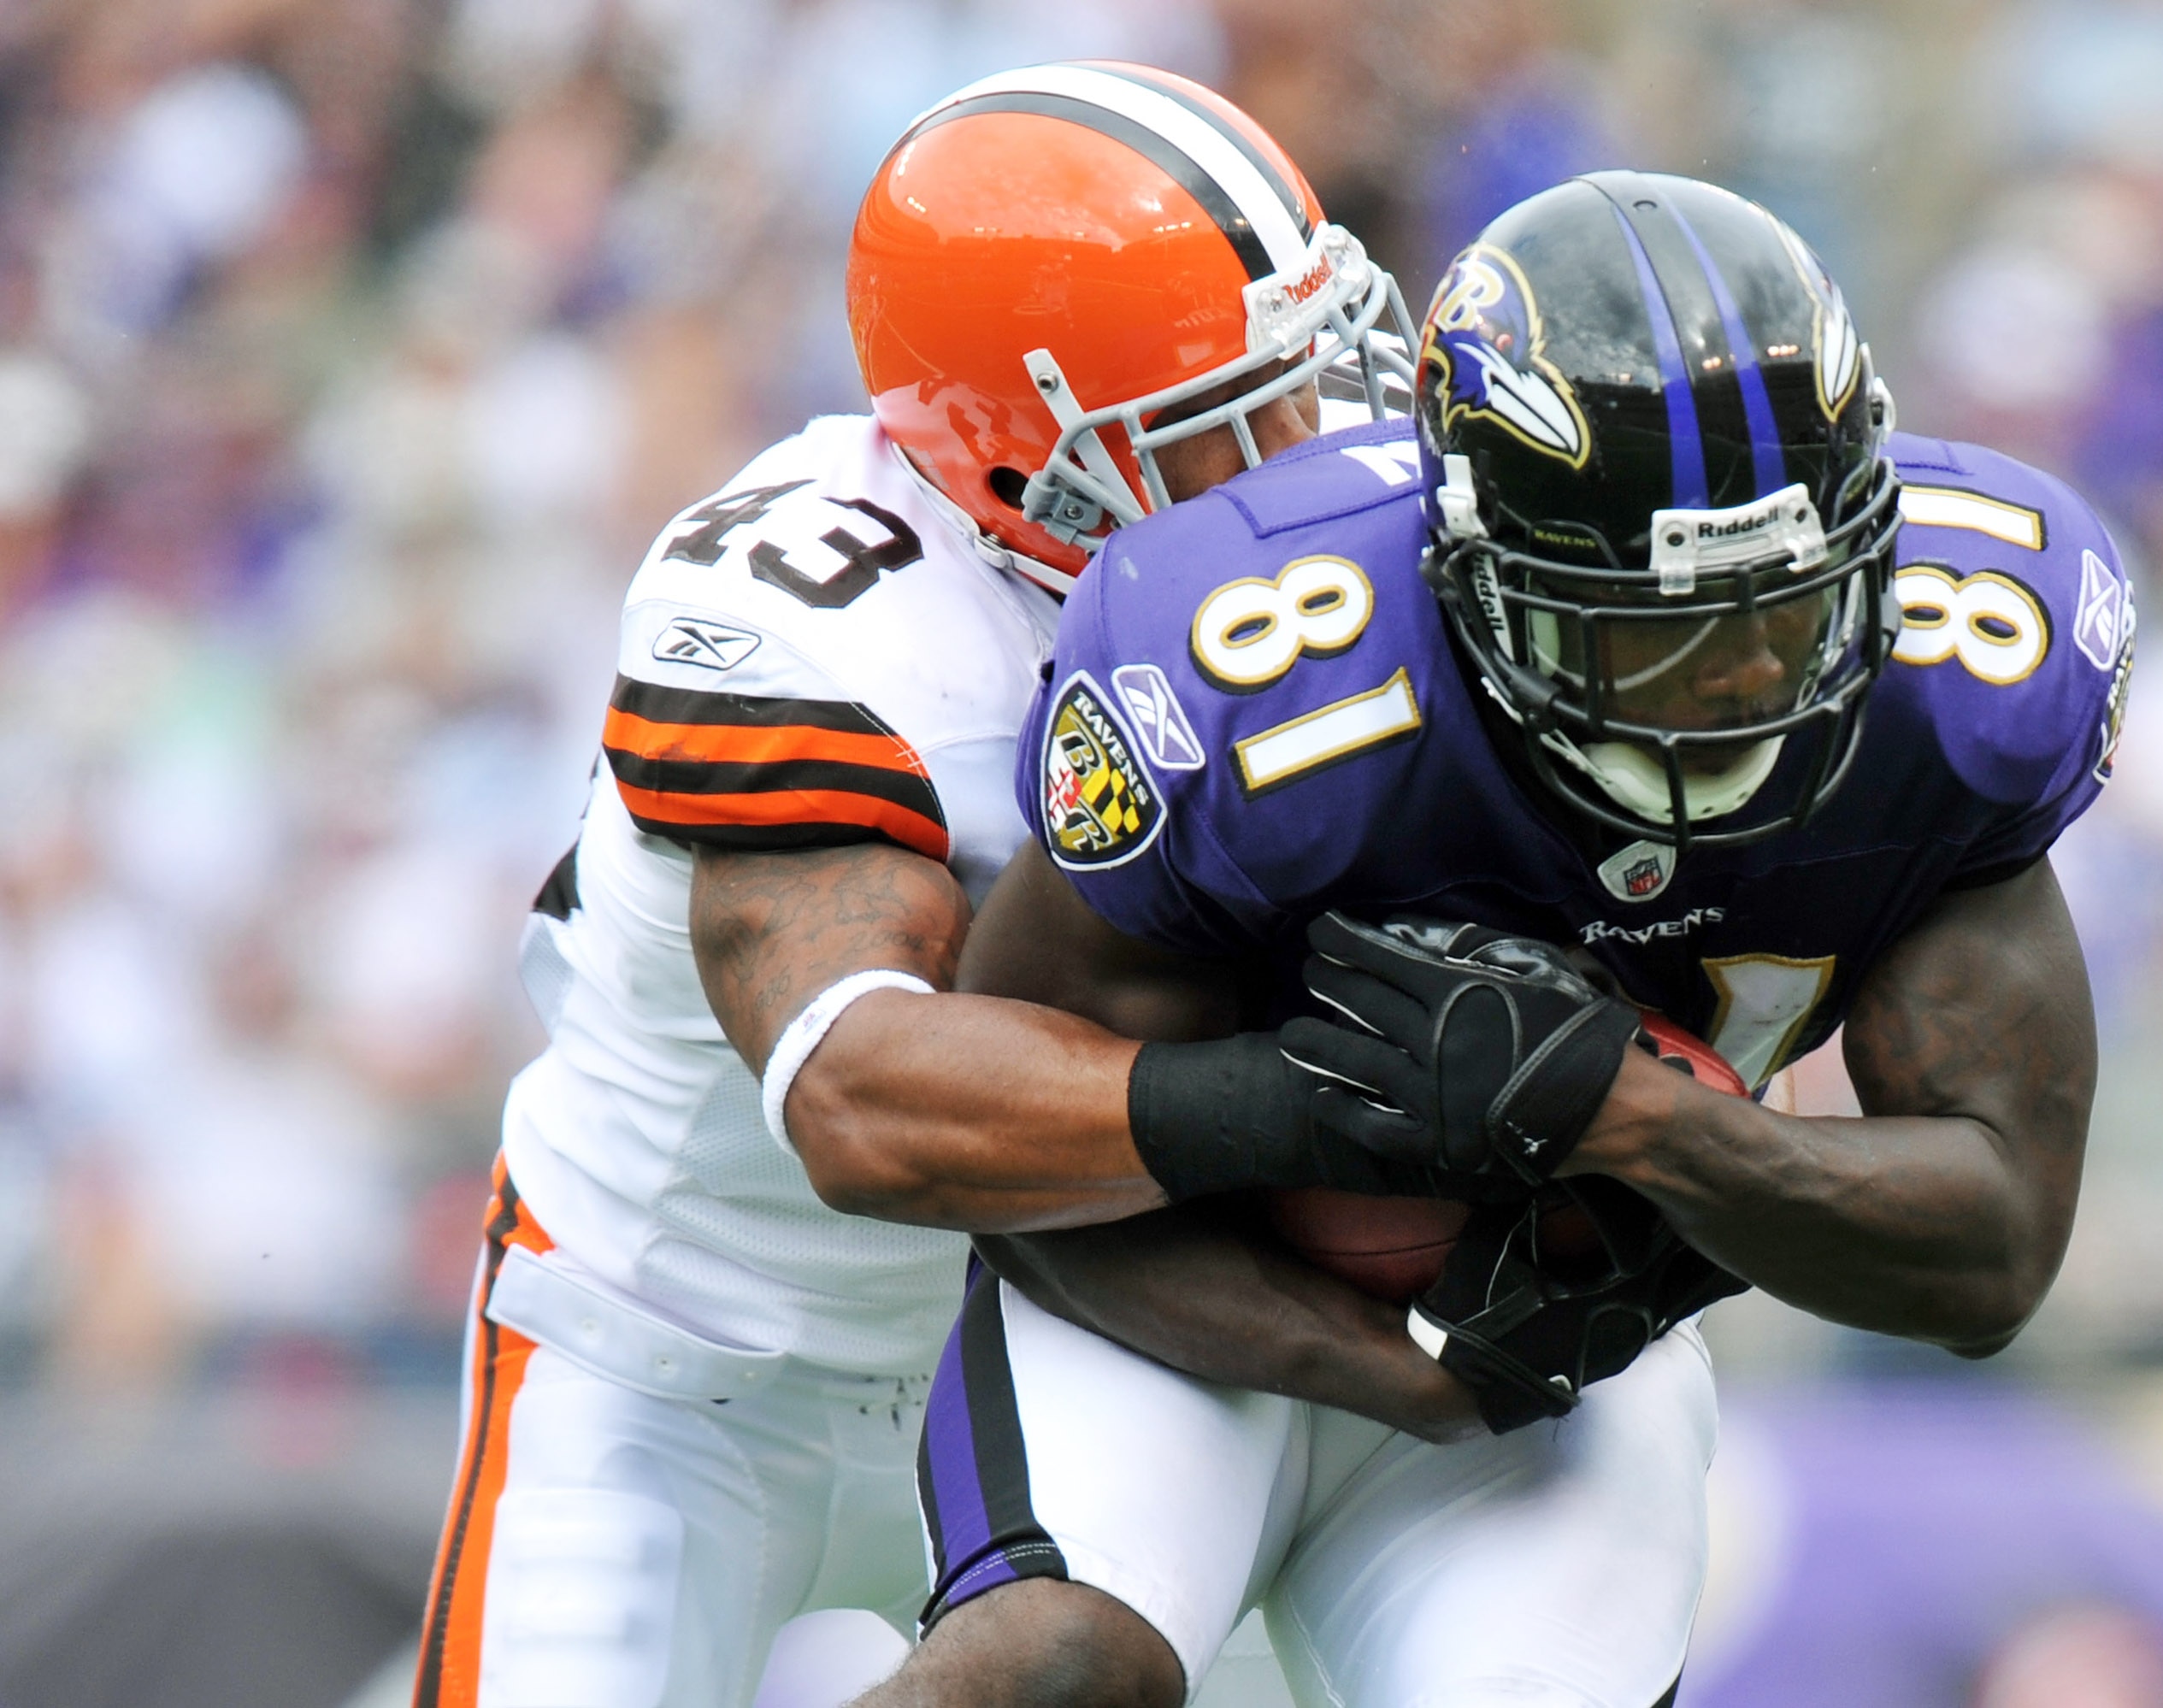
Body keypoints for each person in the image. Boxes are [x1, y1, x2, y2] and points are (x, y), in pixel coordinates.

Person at [869, 171, 2131, 1707]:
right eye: (1647, 633)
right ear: (1470, 572)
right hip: (1174, 1290)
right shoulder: (1258, 667)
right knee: (1047, 1673)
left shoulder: (1967, 673)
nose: (1739, 682)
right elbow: (1015, 1158)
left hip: (1567, 1349)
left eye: (1784, 615)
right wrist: (1377, 1343)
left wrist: (1643, 1124)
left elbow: (1994, 1249)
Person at [410, 62, 1423, 1708]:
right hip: (677, 1358)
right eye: (1232, 420)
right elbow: (864, 1103)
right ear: (1031, 461)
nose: (1307, 455)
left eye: (1308, 374)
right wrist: (1319, 1106)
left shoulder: (1325, 552)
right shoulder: (830, 628)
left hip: (1062, 1338)